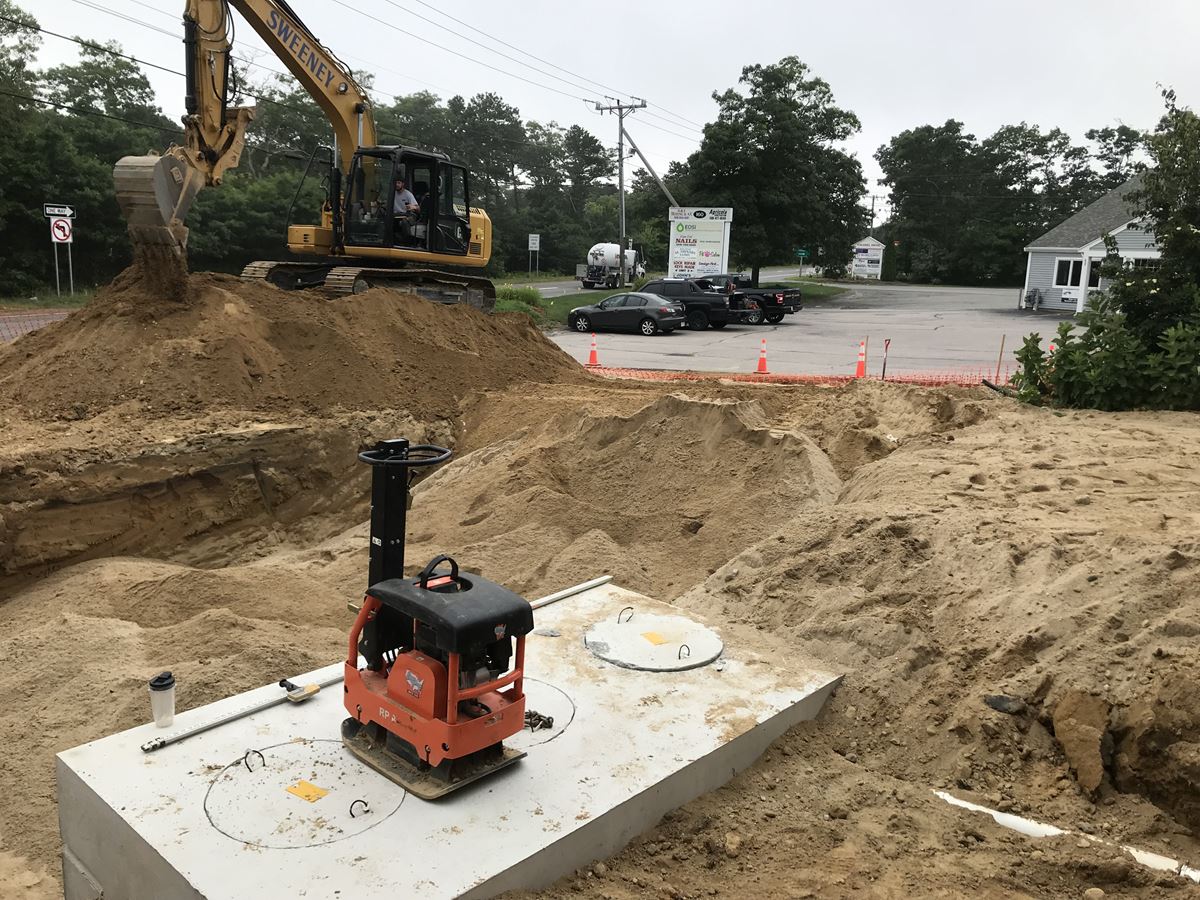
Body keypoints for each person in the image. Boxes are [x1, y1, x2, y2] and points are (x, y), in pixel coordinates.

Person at [393, 176, 419, 242]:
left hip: (408, 215)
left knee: (405, 222)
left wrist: (413, 207)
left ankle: (406, 241)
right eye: (395, 183)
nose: (397, 185)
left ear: (403, 184)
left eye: (399, 183)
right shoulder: (392, 194)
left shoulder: (408, 194)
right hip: (396, 214)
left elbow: (417, 207)